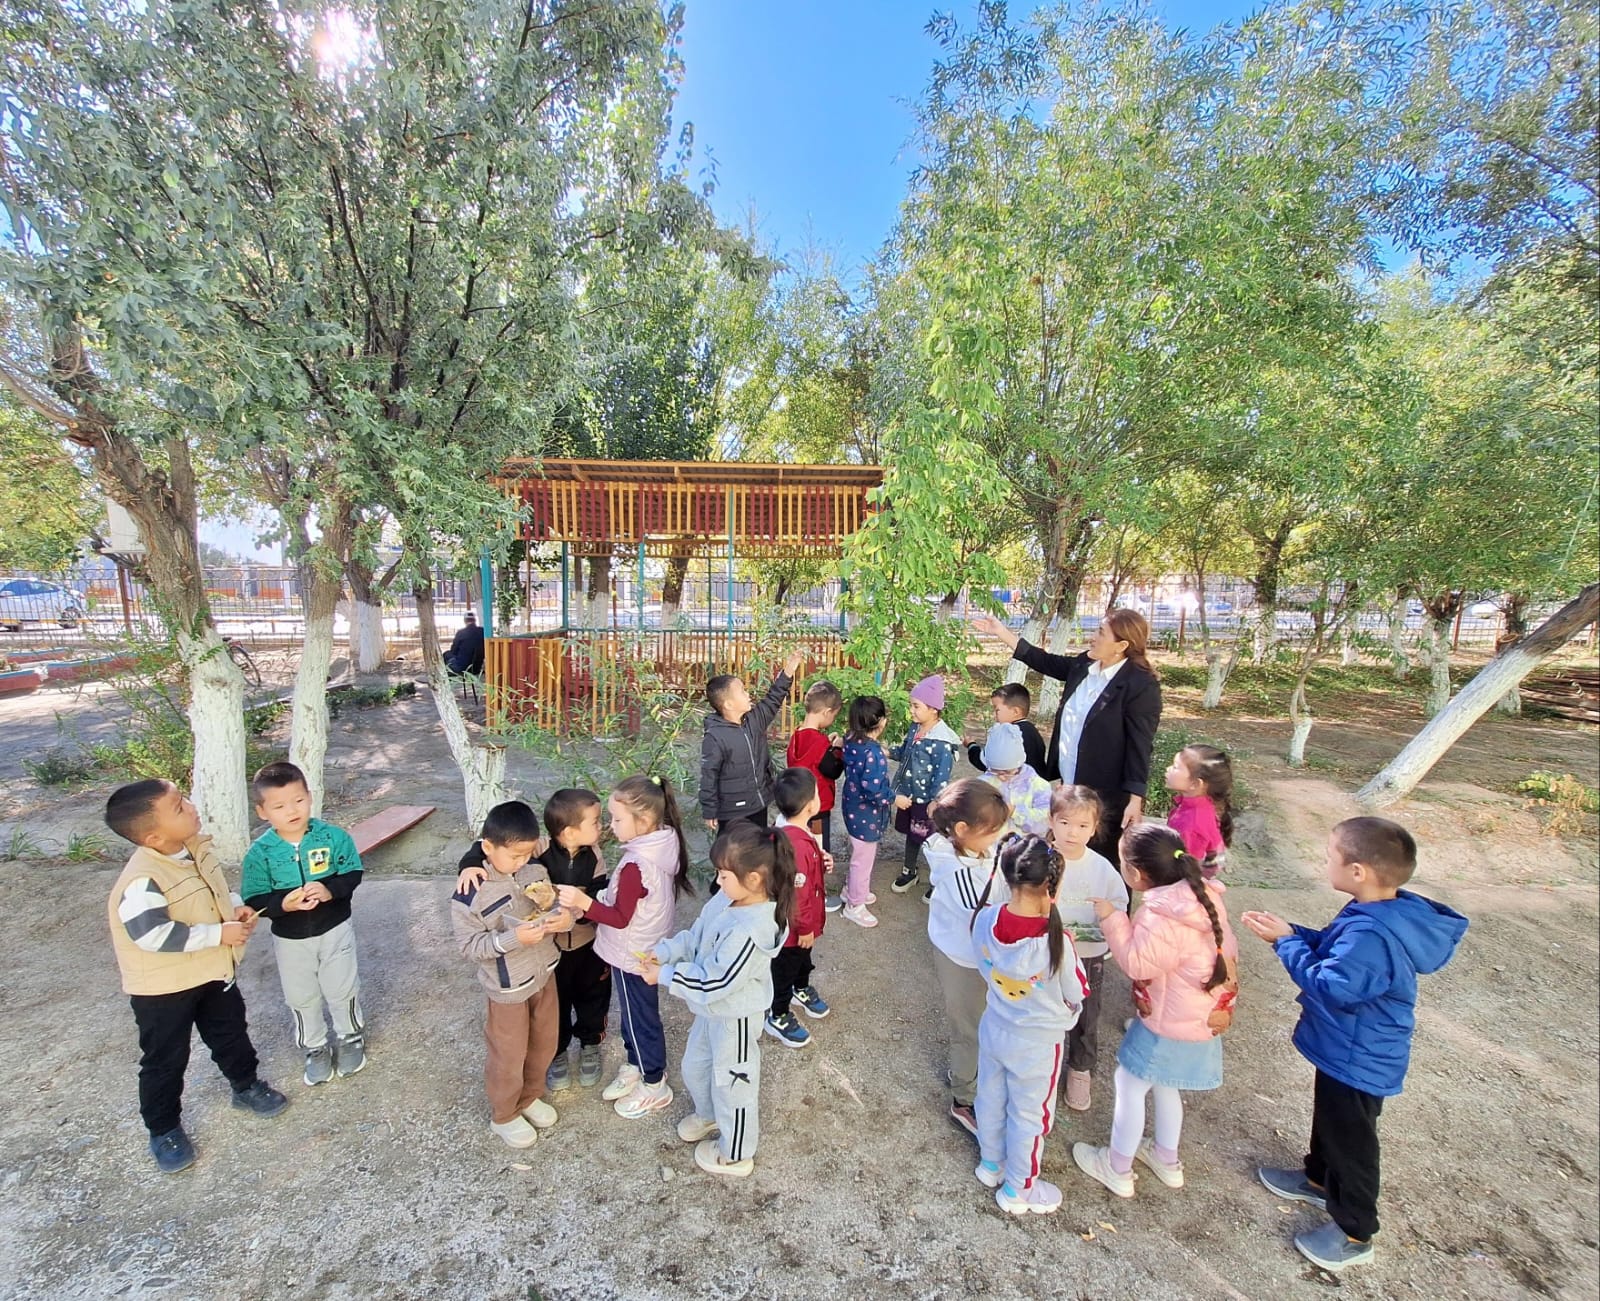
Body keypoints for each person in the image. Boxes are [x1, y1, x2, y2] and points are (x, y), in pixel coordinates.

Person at [1242, 818, 1467, 1274]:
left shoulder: (1372, 933)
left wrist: (1285, 945)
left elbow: (1333, 985)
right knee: (1331, 1120)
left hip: (1359, 1056)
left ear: (1358, 871)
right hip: (1346, 1047)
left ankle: (1354, 1232)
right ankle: (1318, 1179)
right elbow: (1333, 949)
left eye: (1330, 856)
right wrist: (1294, 933)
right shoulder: (1376, 910)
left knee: (1353, 1142)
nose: (1325, 862)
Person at [104, 779, 288, 1173]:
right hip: (163, 989)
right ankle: (164, 1129)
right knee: (165, 1058)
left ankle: (246, 1085)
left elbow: (212, 893)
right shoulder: (142, 880)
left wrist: (233, 909)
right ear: (154, 837)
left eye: (184, 798)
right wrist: (218, 934)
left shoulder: (195, 848)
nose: (190, 806)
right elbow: (153, 935)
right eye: (178, 807)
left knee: (230, 1032)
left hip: (212, 970)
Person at [1071, 823, 1239, 1200]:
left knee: (1129, 1085)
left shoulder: (1161, 916)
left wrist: (1112, 918)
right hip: (1198, 1017)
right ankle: (1166, 1157)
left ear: (1135, 873)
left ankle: (1117, 1167)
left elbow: (1137, 963)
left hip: (1167, 1024)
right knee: (1166, 1084)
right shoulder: (1199, 896)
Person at [643, 822, 793, 1178]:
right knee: (695, 1067)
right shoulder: (727, 898)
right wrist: (664, 953)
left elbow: (716, 981)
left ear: (754, 879)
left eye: (723, 875)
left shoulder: (749, 931)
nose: (717, 881)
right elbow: (697, 935)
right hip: (711, 1012)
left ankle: (736, 1153)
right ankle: (709, 1115)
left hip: (734, 1020)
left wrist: (666, 975)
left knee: (733, 1085)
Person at [971, 609, 1162, 865]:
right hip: (1071, 782)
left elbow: (1140, 745)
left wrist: (1135, 799)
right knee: (1067, 855)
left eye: (1101, 633)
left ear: (1121, 646)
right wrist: (1001, 632)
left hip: (1106, 793)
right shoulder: (1085, 665)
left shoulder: (1140, 685)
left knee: (1101, 860)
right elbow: (1045, 661)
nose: (1092, 637)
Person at [556, 775, 691, 1120]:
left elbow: (619, 917)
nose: (610, 826)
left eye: (616, 819)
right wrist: (597, 901)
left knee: (639, 1017)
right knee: (635, 1014)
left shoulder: (636, 865)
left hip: (633, 953)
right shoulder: (662, 842)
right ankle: (635, 1062)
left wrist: (584, 903)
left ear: (643, 821)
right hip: (645, 943)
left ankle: (653, 1081)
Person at [455, 789, 608, 1091]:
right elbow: (490, 844)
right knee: (557, 1003)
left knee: (593, 996)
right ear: (569, 831)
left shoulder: (595, 855)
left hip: (588, 943)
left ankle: (590, 1043)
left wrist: (578, 915)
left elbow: (598, 894)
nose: (601, 826)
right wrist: (470, 863)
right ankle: (557, 1052)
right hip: (551, 947)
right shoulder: (538, 848)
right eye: (595, 821)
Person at [971, 834, 1089, 1215]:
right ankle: (1019, 1188)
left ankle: (991, 1164)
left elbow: (982, 962)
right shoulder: (1058, 943)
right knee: (1029, 1114)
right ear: (1051, 886)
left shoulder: (985, 918)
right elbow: (1078, 990)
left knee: (990, 1096)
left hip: (995, 1025)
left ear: (1007, 877)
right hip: (1038, 1043)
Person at [451, 800, 574, 1149]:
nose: (522, 861)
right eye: (515, 856)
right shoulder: (470, 891)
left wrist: (564, 917)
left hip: (544, 974)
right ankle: (504, 1114)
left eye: (527, 854)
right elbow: (469, 946)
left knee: (544, 1042)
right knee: (508, 1054)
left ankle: (530, 1096)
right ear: (488, 848)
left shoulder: (535, 871)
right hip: (507, 989)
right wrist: (512, 939)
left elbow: (555, 905)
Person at [241, 761, 367, 1085]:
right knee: (301, 995)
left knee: (342, 986)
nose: (292, 810)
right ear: (262, 812)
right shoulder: (260, 854)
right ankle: (315, 1046)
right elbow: (254, 898)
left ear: (310, 797)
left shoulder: (333, 837)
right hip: (290, 939)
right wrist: (281, 904)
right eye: (279, 806)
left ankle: (350, 1036)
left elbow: (353, 873)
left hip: (335, 928)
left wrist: (329, 890)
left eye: (298, 800)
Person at [922, 779, 1012, 1136]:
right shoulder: (956, 871)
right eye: (992, 831)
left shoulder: (968, 845)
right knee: (969, 1030)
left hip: (975, 956)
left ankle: (967, 1072)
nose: (998, 838)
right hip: (962, 959)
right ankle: (964, 1099)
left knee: (979, 1023)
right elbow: (987, 916)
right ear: (961, 829)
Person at [1049, 784, 1128, 1113]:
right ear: (1051, 821)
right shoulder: (1040, 858)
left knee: (1086, 1012)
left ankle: (1080, 1068)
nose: (1072, 832)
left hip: (1088, 954)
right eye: (1065, 822)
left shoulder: (1101, 868)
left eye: (1083, 825)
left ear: (1094, 828)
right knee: (1046, 1008)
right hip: (1047, 952)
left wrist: (1108, 913)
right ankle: (1046, 1063)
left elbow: (1120, 904)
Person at [699, 649, 805, 838]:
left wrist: (789, 669)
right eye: (742, 691)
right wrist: (709, 810)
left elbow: (774, 698)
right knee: (733, 851)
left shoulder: (754, 720)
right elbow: (709, 774)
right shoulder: (715, 736)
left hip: (758, 803)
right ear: (728, 704)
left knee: (758, 847)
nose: (748, 694)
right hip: (731, 811)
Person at [766, 768, 831, 1049]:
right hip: (794, 929)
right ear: (810, 806)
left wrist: (822, 860)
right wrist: (805, 928)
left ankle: (800, 987)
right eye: (816, 793)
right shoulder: (797, 846)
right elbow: (798, 893)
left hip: (798, 924)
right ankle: (778, 1014)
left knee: (803, 959)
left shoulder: (788, 830)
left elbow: (802, 872)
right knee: (785, 967)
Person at [890, 674, 961, 897]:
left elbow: (942, 776)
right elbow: (904, 752)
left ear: (933, 709)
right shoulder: (915, 728)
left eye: (916, 706)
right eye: (911, 705)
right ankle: (909, 871)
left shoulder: (942, 742)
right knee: (912, 835)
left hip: (926, 802)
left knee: (930, 840)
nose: (911, 710)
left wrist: (935, 801)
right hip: (909, 796)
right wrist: (886, 752)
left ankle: (937, 881)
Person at [834, 695, 894, 928]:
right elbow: (874, 790)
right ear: (881, 722)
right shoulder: (873, 753)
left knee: (859, 854)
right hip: (867, 814)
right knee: (863, 859)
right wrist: (894, 798)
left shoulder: (850, 739)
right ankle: (855, 905)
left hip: (852, 807)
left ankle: (851, 890)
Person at [786, 680, 845, 854]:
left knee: (800, 844)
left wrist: (828, 746)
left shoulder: (796, 735)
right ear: (826, 712)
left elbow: (812, 758)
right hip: (817, 807)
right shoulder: (819, 742)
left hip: (798, 802)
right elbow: (832, 770)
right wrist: (838, 749)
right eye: (833, 715)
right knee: (819, 849)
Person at [1165, 744, 1234, 879]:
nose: (1168, 769)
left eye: (1175, 767)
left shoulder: (1191, 824)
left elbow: (1185, 871)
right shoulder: (1200, 806)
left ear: (1196, 784)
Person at [976, 722, 1052, 838]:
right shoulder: (982, 785)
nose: (1001, 777)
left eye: (1007, 772)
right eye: (995, 771)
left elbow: (1044, 823)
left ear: (1019, 765)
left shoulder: (1038, 786)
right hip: (991, 846)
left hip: (1026, 846)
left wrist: (1015, 812)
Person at [967, 683, 1047, 776]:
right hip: (1033, 782)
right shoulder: (1033, 731)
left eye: (997, 710)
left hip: (1009, 783)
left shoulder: (1007, 734)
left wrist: (971, 745)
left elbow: (986, 761)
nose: (993, 714)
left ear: (1015, 711)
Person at [443, 611, 485, 676]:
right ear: (475, 620)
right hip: (476, 668)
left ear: (465, 621)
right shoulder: (482, 631)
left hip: (462, 668)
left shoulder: (461, 633)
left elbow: (453, 651)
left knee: (446, 654)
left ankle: (446, 675)